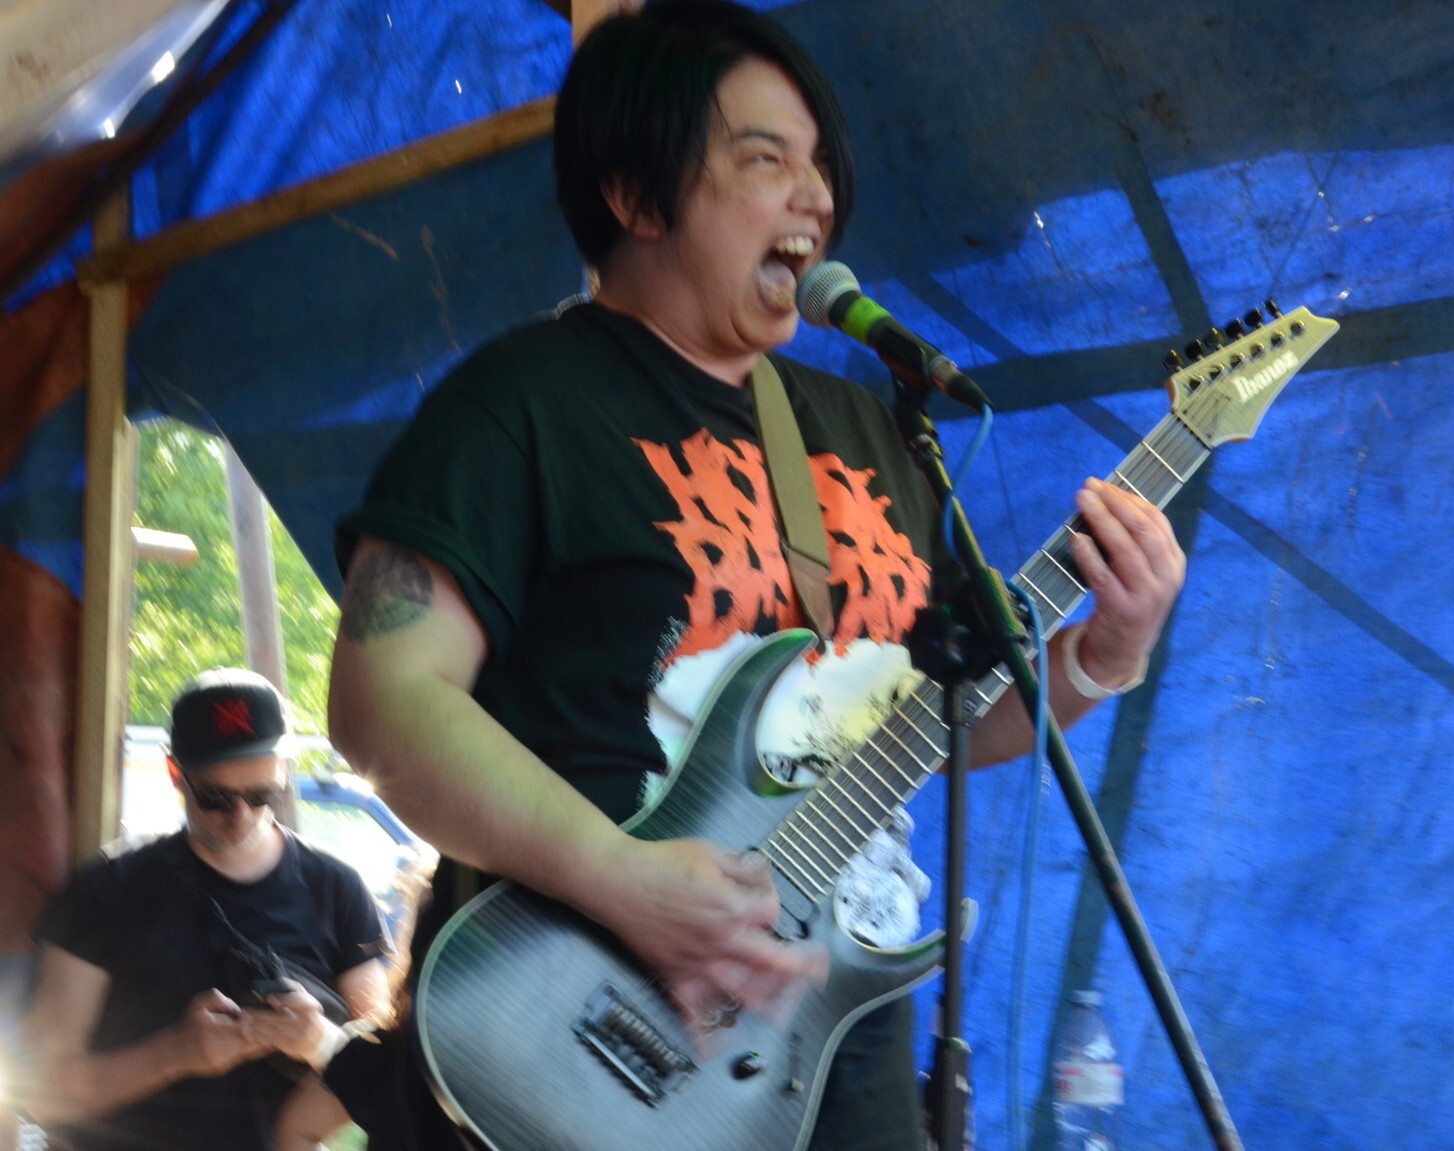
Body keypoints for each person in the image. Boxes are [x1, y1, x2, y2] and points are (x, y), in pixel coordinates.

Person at [320, 2, 1186, 1148]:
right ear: (635, 196)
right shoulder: (518, 403)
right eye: (766, 159)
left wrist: (1102, 654)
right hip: (573, 1018)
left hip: (830, 1012)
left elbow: (931, 722)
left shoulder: (868, 429)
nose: (815, 198)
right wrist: (623, 879)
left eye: (820, 165)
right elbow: (382, 701)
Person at [14, 669, 390, 1151]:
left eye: (261, 794)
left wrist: (319, 1040)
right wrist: (174, 1053)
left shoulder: (337, 889)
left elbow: (387, 1081)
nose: (241, 816)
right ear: (175, 774)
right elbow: (40, 1092)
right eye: (215, 797)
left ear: (284, 771)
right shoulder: (106, 890)